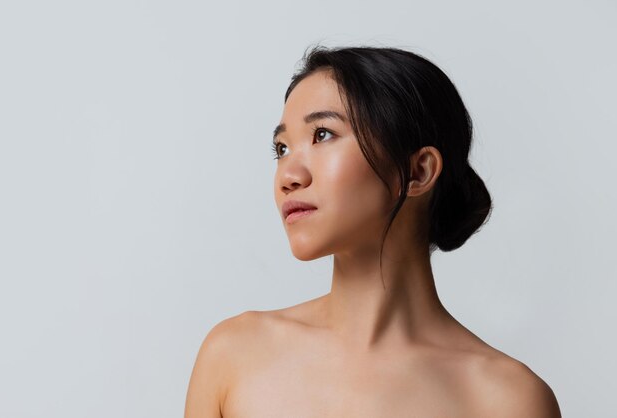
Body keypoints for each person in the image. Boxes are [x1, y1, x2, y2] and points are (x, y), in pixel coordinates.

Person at [184, 45, 562, 417]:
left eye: (322, 135)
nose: (289, 176)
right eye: (281, 148)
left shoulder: (508, 400)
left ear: (418, 172)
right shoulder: (234, 355)